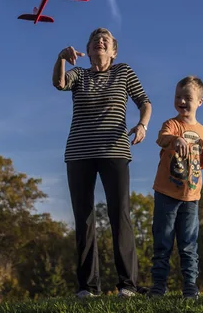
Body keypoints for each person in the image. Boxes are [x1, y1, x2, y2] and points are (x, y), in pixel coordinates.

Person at [52, 27, 153, 298]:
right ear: (88, 49)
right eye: (96, 39)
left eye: (105, 39)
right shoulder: (79, 75)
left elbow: (144, 102)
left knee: (119, 214)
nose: (100, 41)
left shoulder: (123, 72)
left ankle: (128, 285)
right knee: (84, 218)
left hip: (115, 150)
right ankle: (88, 287)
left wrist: (142, 125)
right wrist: (61, 58)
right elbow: (59, 84)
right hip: (79, 153)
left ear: (113, 51)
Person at [148, 75, 203, 300]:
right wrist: (176, 140)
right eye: (178, 97)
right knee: (162, 241)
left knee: (188, 244)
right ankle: (158, 286)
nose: (182, 101)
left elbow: (201, 163)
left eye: (187, 97)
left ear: (199, 102)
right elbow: (162, 138)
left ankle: (190, 287)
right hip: (166, 192)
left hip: (191, 196)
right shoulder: (171, 125)